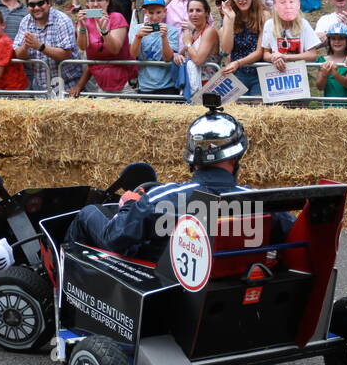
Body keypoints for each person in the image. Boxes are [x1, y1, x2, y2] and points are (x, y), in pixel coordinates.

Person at [62, 105, 291, 261]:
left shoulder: (158, 198)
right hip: (233, 291)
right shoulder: (262, 203)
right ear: (235, 157)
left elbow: (115, 239)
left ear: (193, 157)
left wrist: (130, 205)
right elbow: (291, 236)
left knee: (89, 212)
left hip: (162, 289)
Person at [13, 0, 84, 93]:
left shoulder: (62, 20)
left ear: (49, 3)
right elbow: (18, 54)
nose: (36, 8)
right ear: (27, 7)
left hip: (68, 86)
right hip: (40, 87)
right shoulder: (25, 22)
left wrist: (40, 46)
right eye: (32, 5)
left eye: (40, 3)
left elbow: (66, 54)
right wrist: (25, 47)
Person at [70, 0, 135, 96]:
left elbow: (115, 49)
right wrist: (83, 27)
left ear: (108, 1)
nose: (95, 4)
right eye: (92, 0)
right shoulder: (85, 21)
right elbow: (83, 47)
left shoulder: (117, 18)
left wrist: (104, 30)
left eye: (99, 0)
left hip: (125, 82)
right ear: (87, 3)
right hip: (101, 83)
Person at [219, 0, 267, 96]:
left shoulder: (264, 15)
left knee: (257, 111)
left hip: (259, 72)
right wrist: (230, 20)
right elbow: (226, 50)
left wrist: (238, 63)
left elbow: (260, 51)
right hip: (238, 73)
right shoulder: (229, 16)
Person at [315, 21, 347, 100]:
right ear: (329, 41)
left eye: (341, 39)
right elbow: (320, 87)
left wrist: (334, 73)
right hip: (329, 107)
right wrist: (324, 75)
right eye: (333, 38)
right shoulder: (323, 60)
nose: (337, 42)